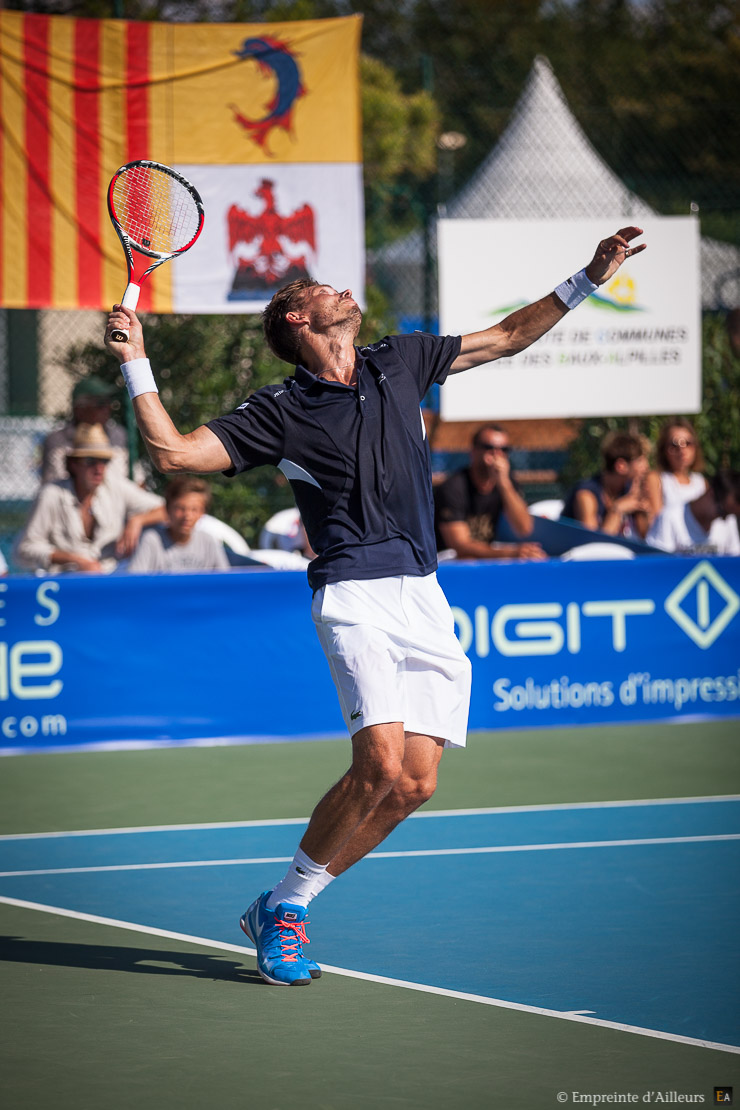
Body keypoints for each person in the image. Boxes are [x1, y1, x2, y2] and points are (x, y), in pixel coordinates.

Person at [105, 224, 645, 986]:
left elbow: (510, 337)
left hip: (425, 593)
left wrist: (589, 277)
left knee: (416, 783)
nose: (343, 289)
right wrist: (135, 361)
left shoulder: (403, 358)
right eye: (324, 288)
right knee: (378, 764)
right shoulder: (279, 411)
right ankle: (288, 920)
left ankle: (283, 902)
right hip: (352, 590)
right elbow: (174, 454)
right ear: (298, 318)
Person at [14, 423, 165, 575]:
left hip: (110, 578)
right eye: (91, 461)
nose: (99, 468)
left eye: (104, 461)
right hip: (64, 581)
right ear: (73, 464)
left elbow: (168, 510)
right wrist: (75, 560)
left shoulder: (115, 486)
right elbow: (26, 548)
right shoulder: (52, 494)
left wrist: (137, 521)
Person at [434, 423, 546, 561]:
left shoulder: (505, 482)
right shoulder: (453, 488)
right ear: (473, 451)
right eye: (489, 447)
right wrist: (510, 553)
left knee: (533, 557)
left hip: (484, 555)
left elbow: (524, 528)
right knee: (469, 557)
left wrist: (503, 483)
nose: (496, 454)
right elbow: (460, 545)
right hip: (446, 558)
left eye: (504, 449)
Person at [41, 375, 145, 485]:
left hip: (119, 500)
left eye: (109, 403)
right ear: (79, 409)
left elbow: (138, 479)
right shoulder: (57, 441)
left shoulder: (118, 434)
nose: (107, 409)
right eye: (100, 404)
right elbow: (55, 483)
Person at [128, 476, 230, 573]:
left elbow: (226, 582)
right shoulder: (151, 540)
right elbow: (135, 582)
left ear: (202, 513)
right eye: (180, 508)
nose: (187, 516)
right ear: (168, 509)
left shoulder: (209, 542)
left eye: (194, 510)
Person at [561, 430, 651, 536]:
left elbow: (645, 536)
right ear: (621, 466)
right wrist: (617, 509)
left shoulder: (629, 489)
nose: (646, 466)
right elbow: (593, 544)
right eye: (640, 461)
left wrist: (642, 510)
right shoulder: (586, 494)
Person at [646, 469, 740, 555]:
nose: (723, 519)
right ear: (711, 493)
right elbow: (657, 565)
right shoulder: (669, 518)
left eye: (729, 514)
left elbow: (734, 562)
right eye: (722, 512)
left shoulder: (729, 520)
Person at [644, 418, 707, 518]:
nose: (681, 450)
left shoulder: (702, 483)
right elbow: (656, 520)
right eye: (674, 444)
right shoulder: (656, 479)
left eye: (687, 443)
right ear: (664, 450)